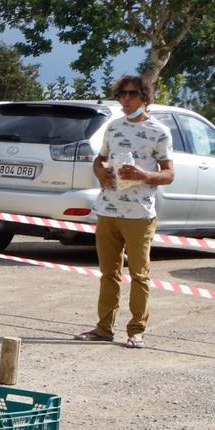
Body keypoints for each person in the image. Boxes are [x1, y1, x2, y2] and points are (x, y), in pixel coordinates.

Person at [82, 75, 174, 348]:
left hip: (139, 214)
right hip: (108, 210)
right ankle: (103, 328)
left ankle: (136, 330)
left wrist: (144, 174)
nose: (125, 99)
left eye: (131, 94)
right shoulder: (113, 127)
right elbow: (100, 160)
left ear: (145, 97)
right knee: (108, 273)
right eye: (121, 94)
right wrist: (100, 171)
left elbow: (169, 174)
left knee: (139, 274)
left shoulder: (159, 131)